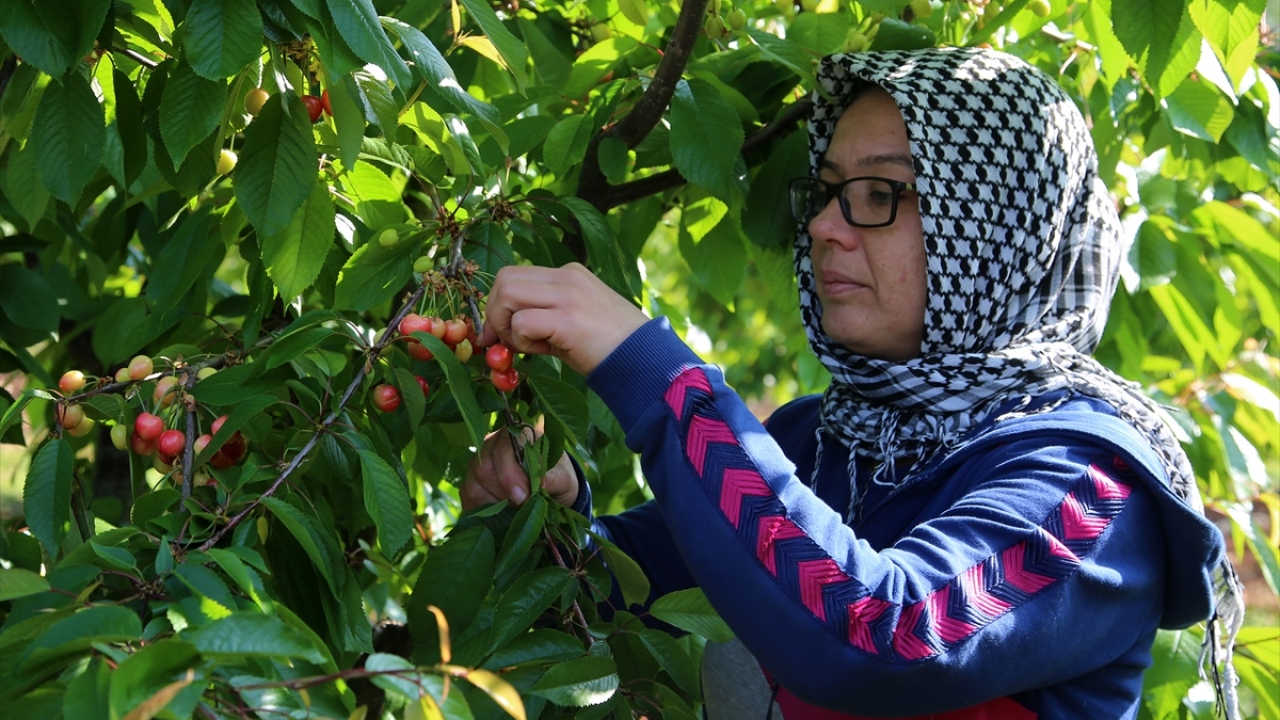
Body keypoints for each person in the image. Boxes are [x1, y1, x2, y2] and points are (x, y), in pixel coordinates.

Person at [464, 47, 1242, 720]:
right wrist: (546, 522)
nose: (827, 227)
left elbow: (890, 636)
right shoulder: (813, 443)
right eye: (829, 191)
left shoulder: (1091, 489)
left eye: (881, 195)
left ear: (997, 225)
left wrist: (655, 376)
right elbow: (619, 614)